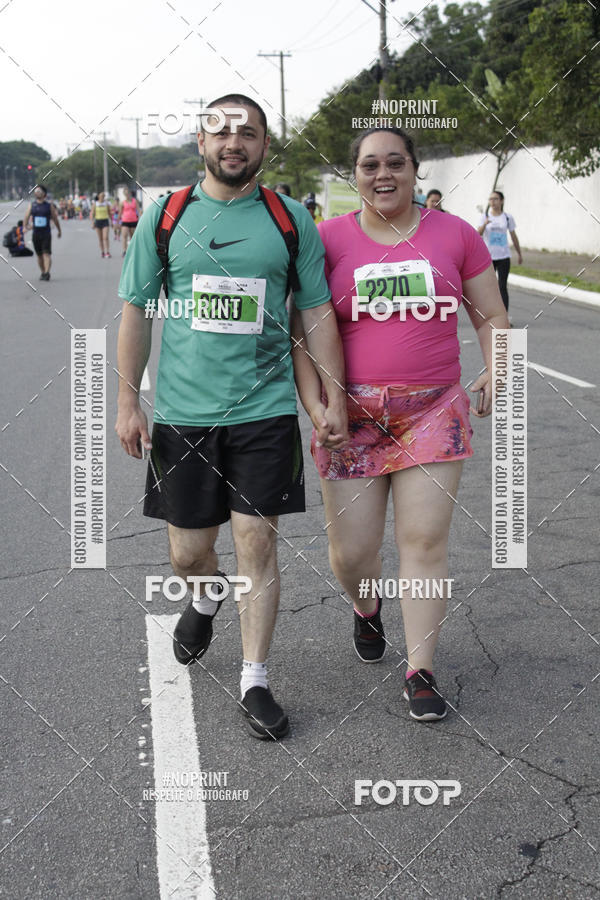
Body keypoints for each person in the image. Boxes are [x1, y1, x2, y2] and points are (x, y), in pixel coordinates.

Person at [115, 93, 347, 740]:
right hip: (184, 416)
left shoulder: (289, 218)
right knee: (190, 552)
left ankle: (255, 679)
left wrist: (329, 395)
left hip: (265, 411)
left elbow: (317, 313)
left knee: (257, 542)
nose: (233, 142)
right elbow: (136, 310)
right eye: (221, 131)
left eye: (247, 132)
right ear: (202, 143)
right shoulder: (166, 217)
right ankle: (203, 593)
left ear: (265, 145)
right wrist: (128, 400)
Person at [291, 126, 508, 722]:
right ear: (354, 175)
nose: (382, 175)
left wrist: (497, 366)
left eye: (394, 163)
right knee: (352, 552)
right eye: (369, 166)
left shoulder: (456, 234)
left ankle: (421, 670)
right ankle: (366, 608)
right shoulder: (326, 240)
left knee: (423, 543)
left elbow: (491, 315)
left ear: (416, 170)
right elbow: (302, 334)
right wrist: (317, 407)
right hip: (350, 416)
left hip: (433, 411)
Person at [477, 190, 522, 311]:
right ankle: (490, 314)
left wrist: (519, 253)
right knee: (489, 287)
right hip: (488, 258)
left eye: (496, 199)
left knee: (502, 286)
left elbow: (513, 236)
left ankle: (504, 317)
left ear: (501, 201)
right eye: (490, 199)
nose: (493, 202)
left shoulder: (507, 217)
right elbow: (477, 234)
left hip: (503, 256)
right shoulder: (484, 217)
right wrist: (485, 224)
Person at [23, 185, 61, 280]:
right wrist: (24, 227)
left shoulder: (49, 206)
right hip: (36, 234)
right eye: (36, 191)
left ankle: (47, 273)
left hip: (46, 233)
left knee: (46, 254)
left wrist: (59, 230)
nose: (37, 193)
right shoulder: (32, 205)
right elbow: (26, 216)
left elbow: (55, 219)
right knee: (39, 256)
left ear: (44, 194)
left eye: (39, 191)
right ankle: (43, 272)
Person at [119, 187, 140, 255]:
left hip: (133, 220)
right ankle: (124, 250)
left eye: (127, 193)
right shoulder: (122, 203)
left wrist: (141, 218)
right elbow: (120, 213)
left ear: (130, 193)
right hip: (125, 221)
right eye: (125, 194)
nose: (127, 195)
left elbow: (139, 210)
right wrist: (117, 222)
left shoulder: (134, 201)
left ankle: (133, 250)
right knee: (124, 235)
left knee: (132, 237)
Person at [91, 192, 112, 257]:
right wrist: (92, 223)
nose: (102, 197)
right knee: (100, 238)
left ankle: (107, 251)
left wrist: (112, 221)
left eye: (103, 196)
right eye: (101, 196)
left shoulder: (106, 204)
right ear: (99, 197)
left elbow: (109, 213)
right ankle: (102, 252)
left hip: (105, 221)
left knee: (105, 237)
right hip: (98, 221)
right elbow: (92, 214)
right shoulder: (95, 204)